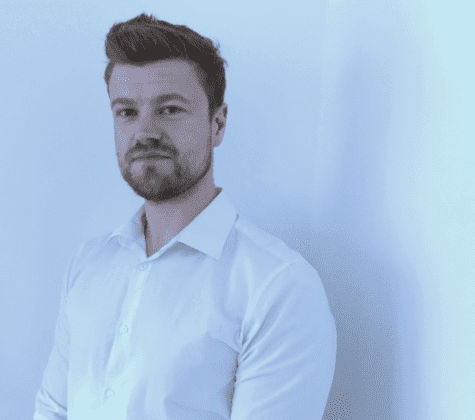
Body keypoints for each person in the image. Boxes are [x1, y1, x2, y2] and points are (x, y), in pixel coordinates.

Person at [34, 13, 336, 420]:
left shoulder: (277, 288)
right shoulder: (88, 265)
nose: (145, 132)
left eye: (170, 109)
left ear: (218, 124)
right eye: (126, 112)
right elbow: (54, 409)